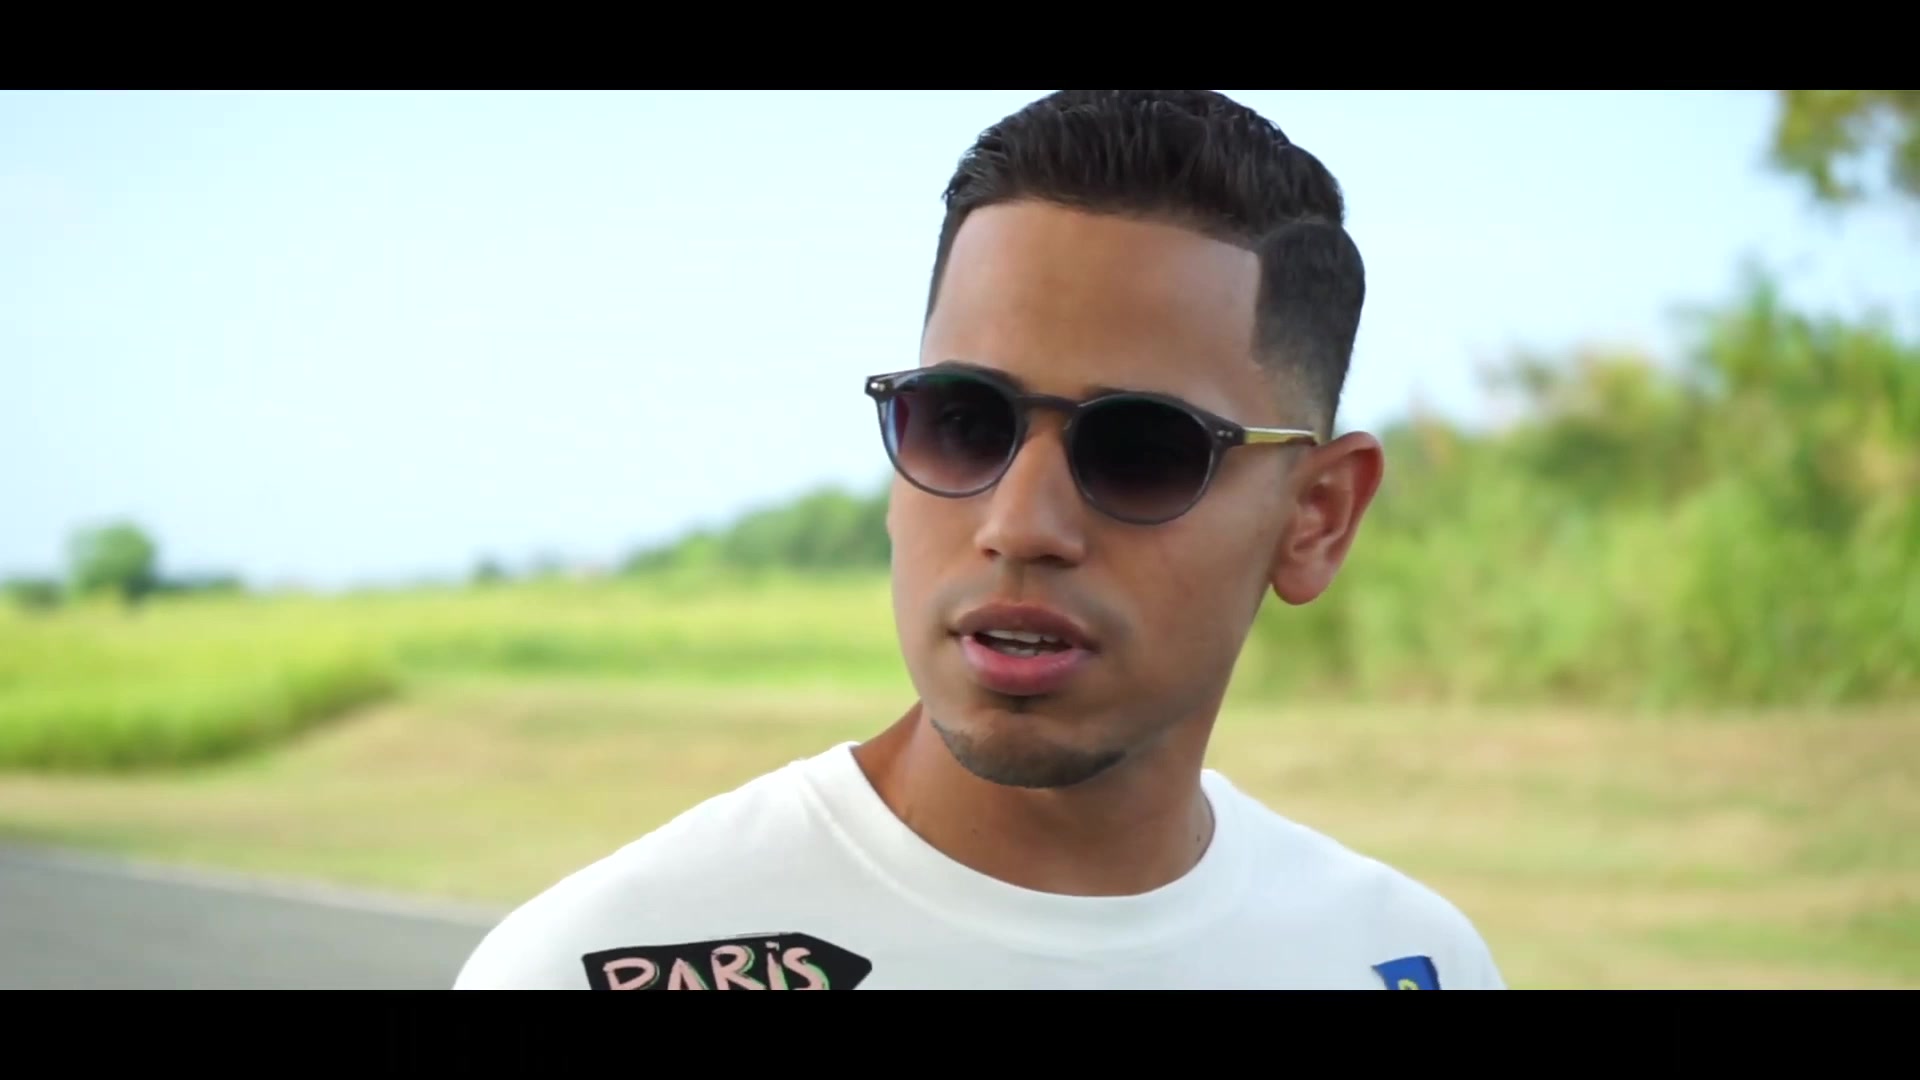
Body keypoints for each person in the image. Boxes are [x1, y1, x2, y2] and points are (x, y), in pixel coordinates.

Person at [452, 89, 1505, 990]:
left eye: (1142, 449)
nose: (1020, 525)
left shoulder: (1401, 962)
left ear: (1317, 518)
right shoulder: (597, 963)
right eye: (963, 423)